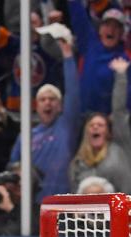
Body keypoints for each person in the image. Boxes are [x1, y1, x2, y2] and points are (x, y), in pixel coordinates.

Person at [9, 35, 80, 203]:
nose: (47, 103)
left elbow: (73, 93)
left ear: (60, 106)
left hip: (64, 204)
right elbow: (13, 167)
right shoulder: (26, 135)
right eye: (42, 99)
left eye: (52, 99)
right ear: (36, 107)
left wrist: (68, 56)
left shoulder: (66, 126)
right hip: (33, 206)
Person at [69, 58, 131, 195]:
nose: (95, 128)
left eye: (100, 125)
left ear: (108, 132)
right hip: (89, 214)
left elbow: (119, 111)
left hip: (124, 211)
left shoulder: (121, 147)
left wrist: (121, 76)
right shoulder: (78, 163)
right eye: (92, 125)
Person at [68, 2, 129, 113]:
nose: (111, 30)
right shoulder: (89, 43)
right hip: (82, 117)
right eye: (107, 25)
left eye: (116, 27)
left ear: (121, 34)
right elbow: (77, 13)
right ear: (100, 29)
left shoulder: (124, 60)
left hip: (106, 124)